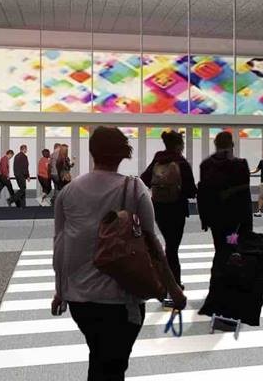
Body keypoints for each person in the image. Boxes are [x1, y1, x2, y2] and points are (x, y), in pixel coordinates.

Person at [50, 125, 183, 381]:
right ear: (123, 154)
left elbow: (60, 245)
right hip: (121, 301)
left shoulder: (68, 193)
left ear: (92, 152)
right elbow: (152, 244)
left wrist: (60, 290)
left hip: (80, 300)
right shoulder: (135, 189)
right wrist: (173, 289)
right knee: (111, 367)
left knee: (100, 360)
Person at [195, 130, 253, 278]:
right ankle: (229, 279)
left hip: (215, 219)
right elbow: (245, 194)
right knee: (231, 246)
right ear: (232, 145)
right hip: (235, 221)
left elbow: (202, 193)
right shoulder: (240, 164)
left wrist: (203, 218)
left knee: (220, 247)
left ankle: (218, 277)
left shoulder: (206, 165)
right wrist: (247, 224)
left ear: (215, 144)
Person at [144, 132, 197, 286]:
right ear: (179, 145)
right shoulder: (181, 161)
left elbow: (144, 179)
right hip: (177, 208)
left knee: (169, 245)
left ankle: (167, 283)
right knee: (172, 248)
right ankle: (173, 284)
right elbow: (191, 190)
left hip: (159, 208)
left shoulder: (157, 160)